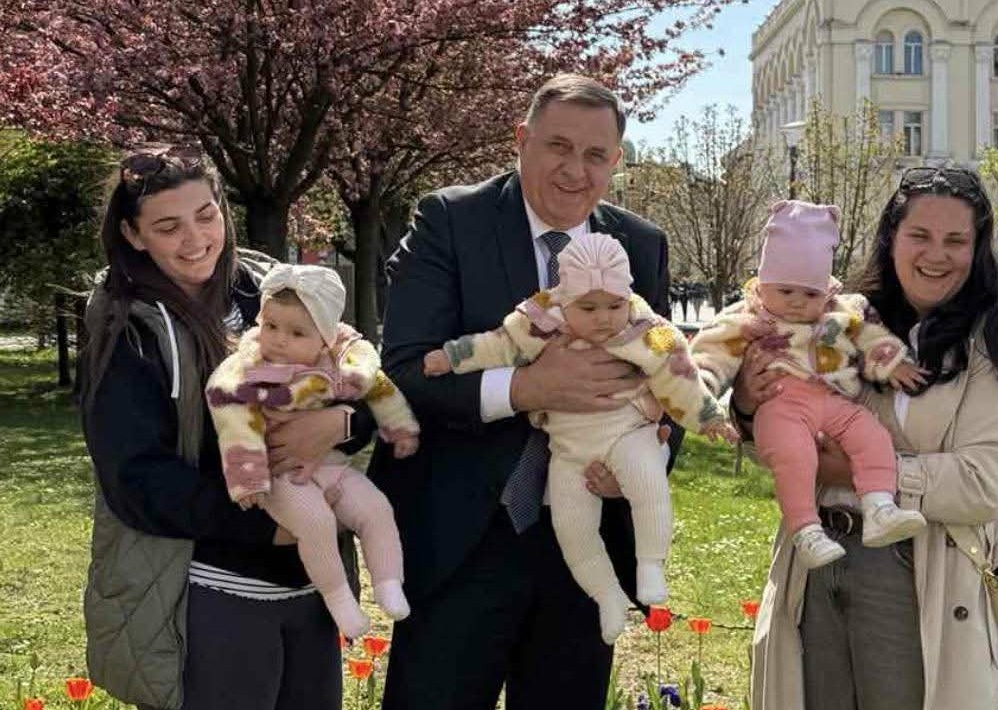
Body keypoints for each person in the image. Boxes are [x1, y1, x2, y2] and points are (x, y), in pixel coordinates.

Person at [371, 74, 682, 708]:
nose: (576, 170)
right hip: (463, 539)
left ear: (616, 161)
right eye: (558, 146)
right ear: (522, 139)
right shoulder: (449, 221)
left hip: (586, 541)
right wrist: (525, 388)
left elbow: (667, 379)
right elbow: (401, 373)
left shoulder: (641, 244)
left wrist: (645, 461)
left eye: (596, 155)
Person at [726, 167, 998, 710]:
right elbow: (780, 446)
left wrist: (855, 473)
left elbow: (985, 484)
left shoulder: (993, 340)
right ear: (891, 238)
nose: (936, 255)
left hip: (916, 570)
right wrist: (751, 407)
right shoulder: (837, 319)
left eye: (955, 240)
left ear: (977, 250)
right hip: (817, 558)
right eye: (919, 235)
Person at [80, 145, 378, 710]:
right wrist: (271, 528)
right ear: (133, 235)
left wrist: (341, 423)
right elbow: (137, 481)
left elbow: (361, 377)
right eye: (168, 227)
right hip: (209, 593)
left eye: (206, 215)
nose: (195, 239)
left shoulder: (276, 289)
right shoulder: (126, 326)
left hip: (308, 582)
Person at [423, 233, 736, 644]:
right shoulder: (540, 320)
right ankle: (606, 595)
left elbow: (679, 376)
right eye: (588, 308)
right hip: (568, 450)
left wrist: (709, 416)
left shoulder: (647, 329)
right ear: (564, 298)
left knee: (648, 483)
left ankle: (650, 564)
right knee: (572, 528)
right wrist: (452, 356)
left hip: (628, 431)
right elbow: (497, 345)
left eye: (615, 306)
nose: (604, 318)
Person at [691, 200, 928, 569]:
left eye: (811, 294)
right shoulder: (748, 320)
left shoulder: (840, 312)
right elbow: (711, 353)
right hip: (780, 405)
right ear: (763, 284)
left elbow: (866, 335)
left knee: (872, 435)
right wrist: (701, 393)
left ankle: (879, 504)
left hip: (831, 400)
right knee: (796, 456)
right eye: (786, 291)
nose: (798, 303)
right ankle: (805, 529)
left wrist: (891, 361)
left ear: (826, 291)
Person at [206, 263, 420, 638]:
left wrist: (399, 427)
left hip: (331, 466)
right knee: (315, 523)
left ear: (325, 338)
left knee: (376, 508)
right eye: (270, 326)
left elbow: (380, 390)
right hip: (281, 475)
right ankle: (340, 601)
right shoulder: (245, 370)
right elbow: (232, 418)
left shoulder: (343, 362)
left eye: (296, 333)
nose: (279, 340)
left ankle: (389, 583)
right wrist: (248, 477)